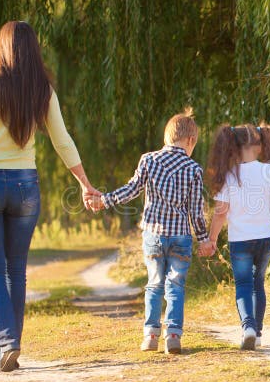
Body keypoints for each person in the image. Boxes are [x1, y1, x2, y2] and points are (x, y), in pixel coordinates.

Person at [0, 21, 99, 371]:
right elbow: (63, 142)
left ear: (2, 50)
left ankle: (6, 343)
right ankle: (12, 343)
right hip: (25, 187)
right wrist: (85, 183)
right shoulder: (42, 91)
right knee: (17, 269)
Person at [87, 109, 214, 355]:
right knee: (175, 285)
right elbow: (196, 211)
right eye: (193, 145)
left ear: (167, 137)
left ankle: (151, 335)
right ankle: (174, 335)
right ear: (189, 141)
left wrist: (104, 200)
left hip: (154, 234)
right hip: (180, 236)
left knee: (154, 284)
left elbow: (131, 190)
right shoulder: (193, 169)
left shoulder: (149, 160)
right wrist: (204, 240)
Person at [204, 123, 270, 350]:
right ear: (259, 146)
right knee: (258, 284)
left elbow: (221, 212)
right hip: (265, 237)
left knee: (243, 284)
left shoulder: (229, 176)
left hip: (239, 240)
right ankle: (258, 333)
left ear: (233, 148)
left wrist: (212, 239)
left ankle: (248, 327)